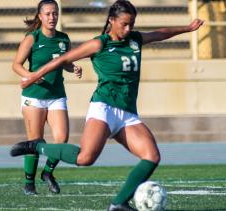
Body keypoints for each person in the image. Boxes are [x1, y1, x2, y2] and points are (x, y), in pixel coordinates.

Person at [11, 0, 203, 209]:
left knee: (152, 156)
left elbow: (160, 33)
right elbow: (60, 60)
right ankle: (36, 146)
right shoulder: (99, 44)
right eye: (124, 24)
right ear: (112, 20)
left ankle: (118, 204)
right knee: (85, 158)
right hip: (104, 107)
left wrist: (188, 28)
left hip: (128, 113)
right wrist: (32, 77)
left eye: (131, 24)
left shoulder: (135, 40)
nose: (128, 29)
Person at [11, 0, 82, 195]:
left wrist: (73, 67)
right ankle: (29, 183)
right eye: (48, 14)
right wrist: (30, 76)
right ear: (40, 16)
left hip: (56, 95)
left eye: (55, 13)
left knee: (61, 139)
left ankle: (48, 173)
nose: (52, 17)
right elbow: (16, 64)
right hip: (34, 97)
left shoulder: (63, 38)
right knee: (35, 140)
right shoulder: (32, 38)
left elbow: (65, 62)